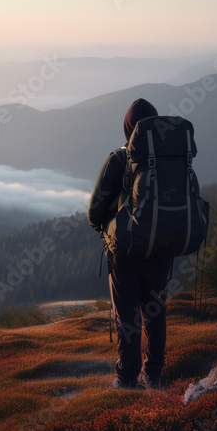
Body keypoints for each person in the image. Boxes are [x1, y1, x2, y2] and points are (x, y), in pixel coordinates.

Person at [87, 98, 173, 390]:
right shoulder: (171, 160)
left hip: (124, 254)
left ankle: (126, 379)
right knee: (155, 312)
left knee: (128, 317)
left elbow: (94, 211)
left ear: (128, 129)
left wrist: (108, 230)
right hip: (162, 251)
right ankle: (155, 375)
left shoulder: (119, 160)